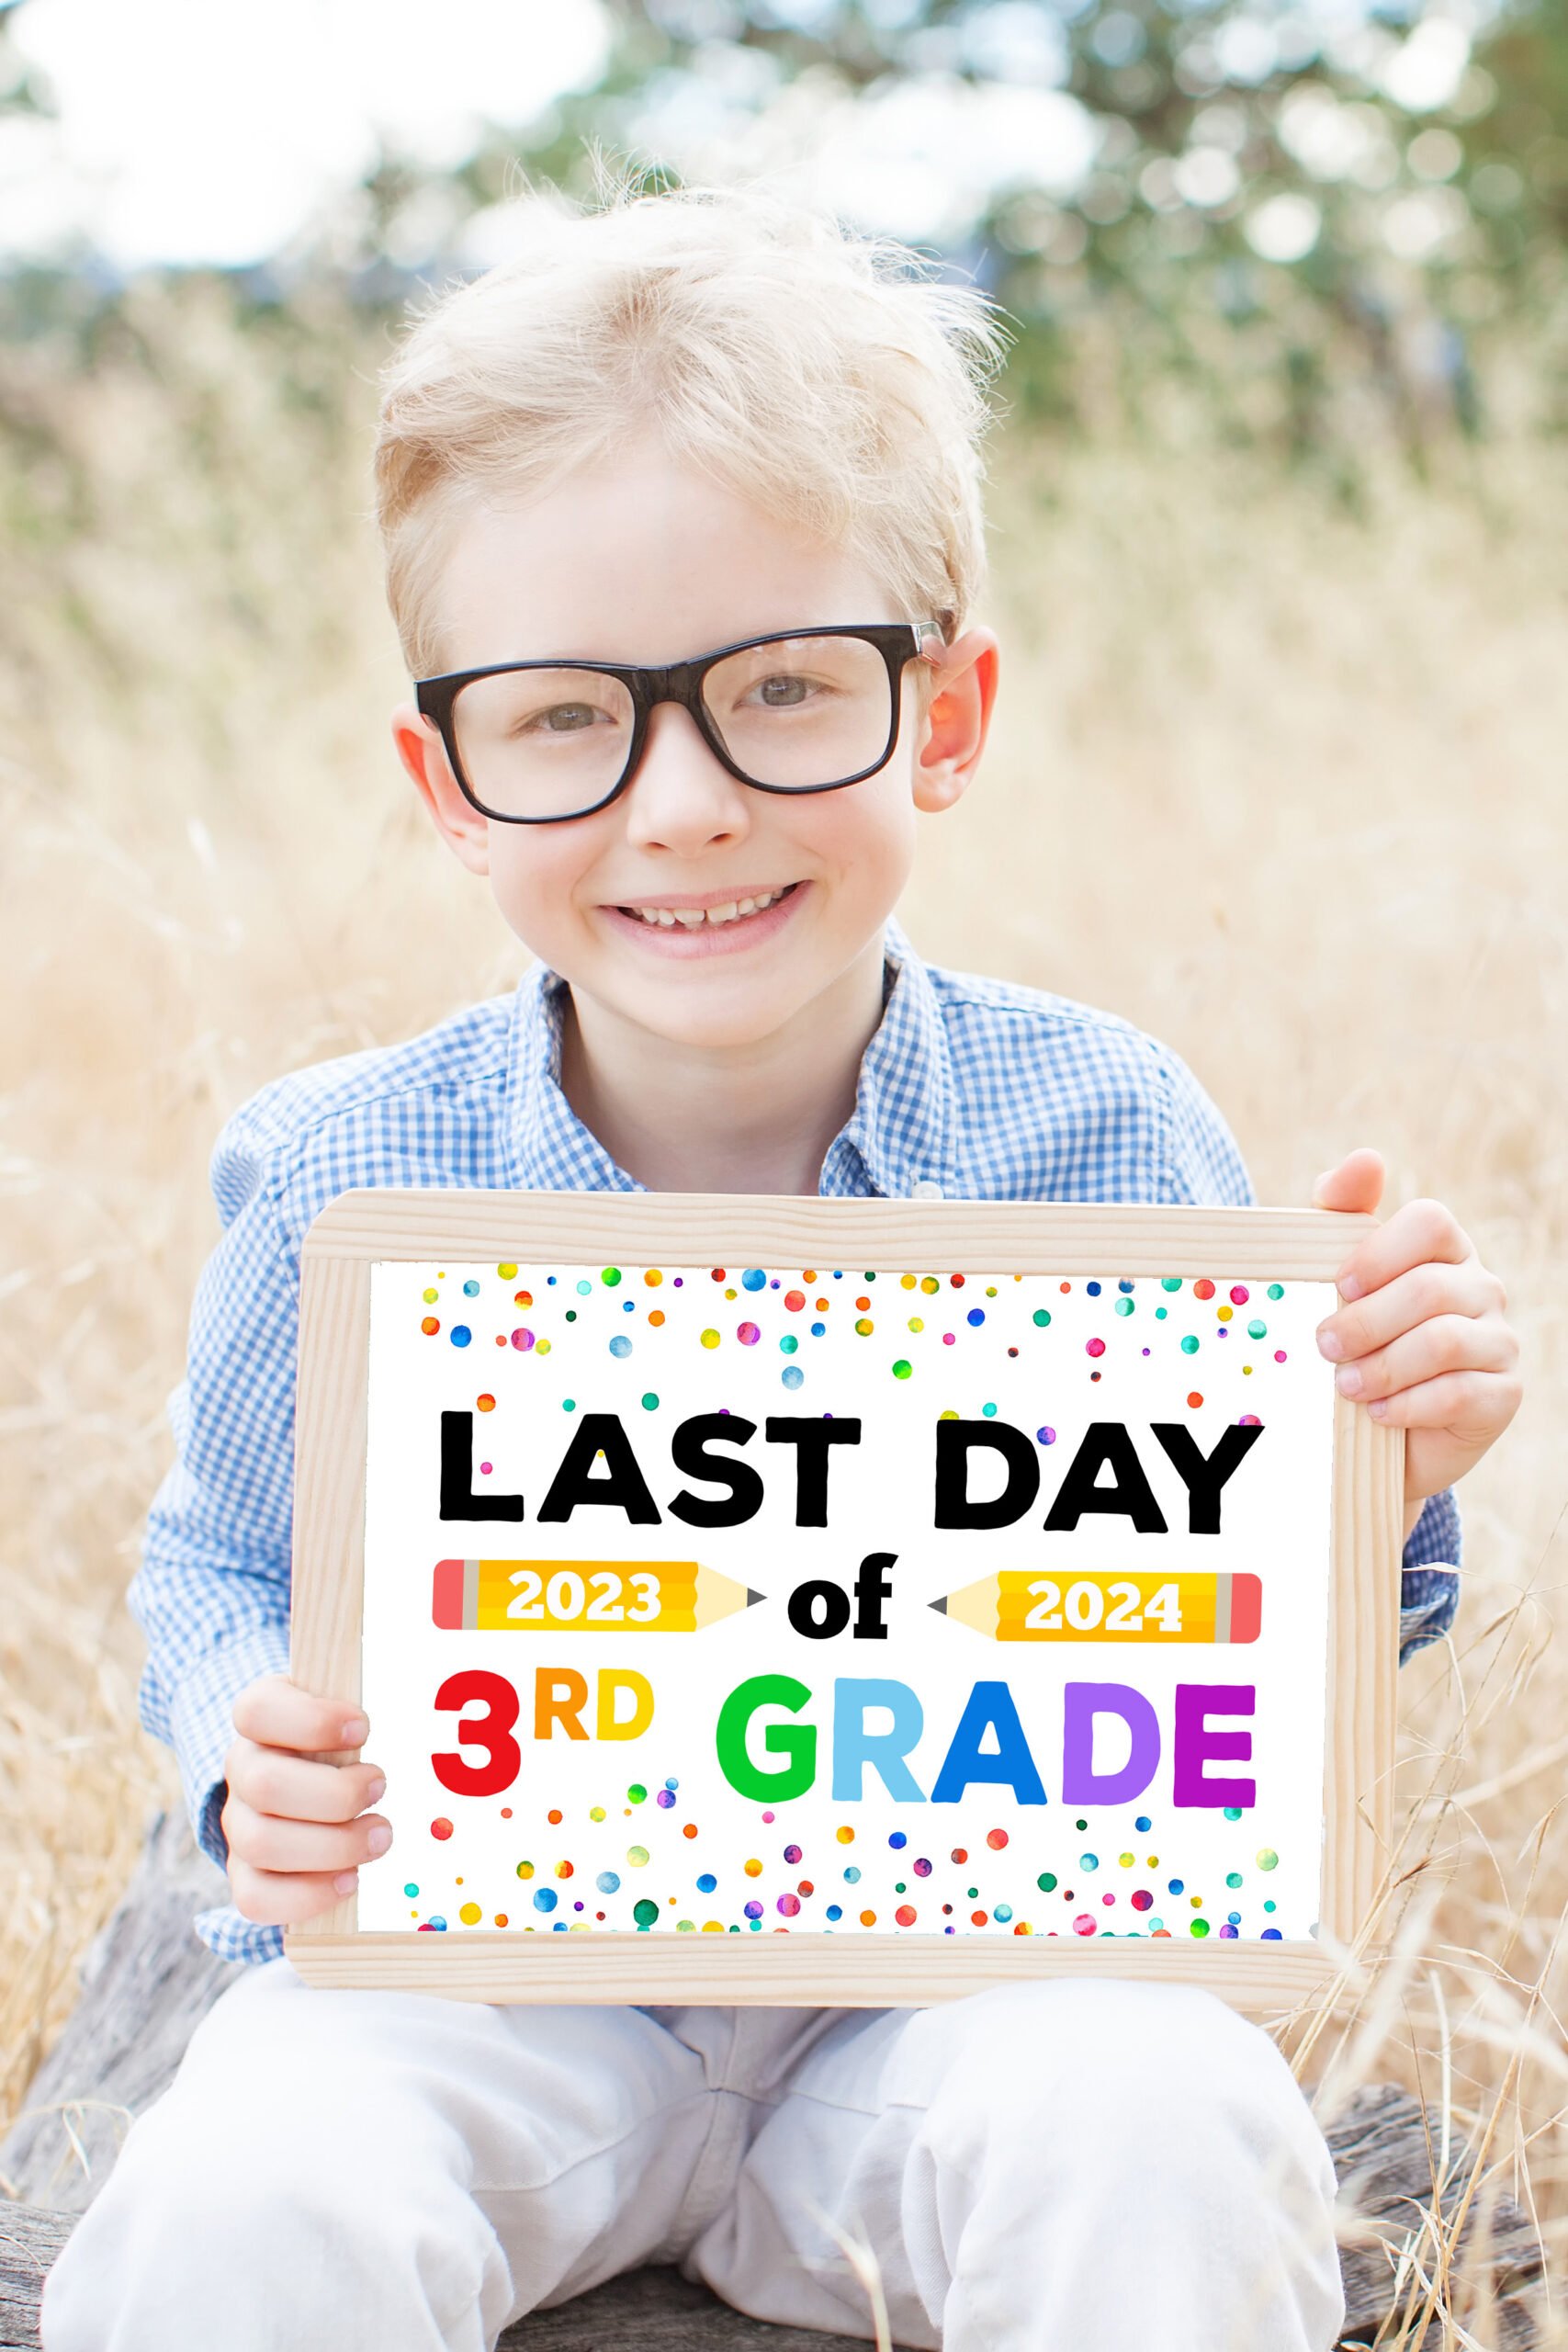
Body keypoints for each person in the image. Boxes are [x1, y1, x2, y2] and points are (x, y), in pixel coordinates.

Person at [41, 173, 1520, 2352]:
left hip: (950, 2005)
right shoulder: (349, 1171)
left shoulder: (1094, 1132)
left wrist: (1382, 1458)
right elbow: (216, 1563)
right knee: (241, 2187)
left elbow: (1262, 1623)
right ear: (441, 777)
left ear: (942, 708)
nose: (684, 803)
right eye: (563, 717)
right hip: (491, 1992)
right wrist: (244, 1740)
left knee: (1168, 2113)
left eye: (781, 689)